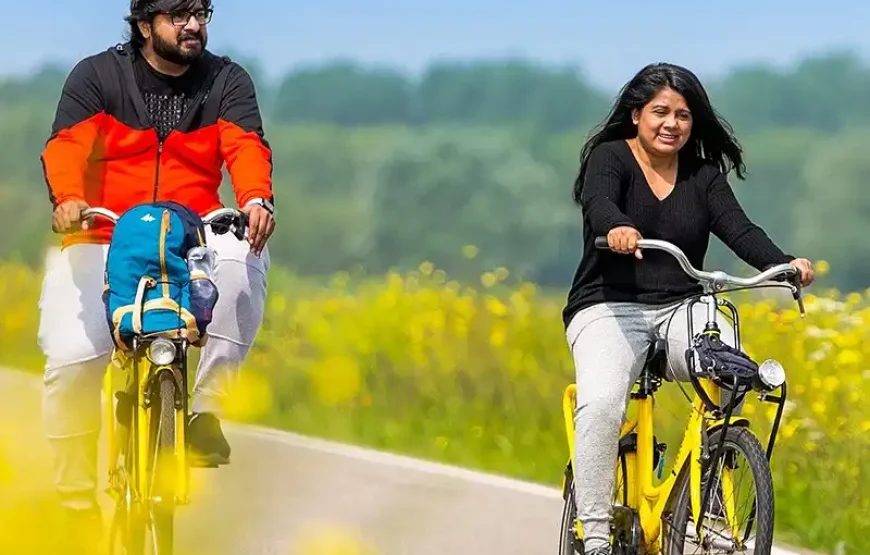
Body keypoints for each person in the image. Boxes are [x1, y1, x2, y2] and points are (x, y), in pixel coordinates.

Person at [37, 0, 275, 544]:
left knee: (244, 257)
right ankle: (75, 501)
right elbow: (67, 145)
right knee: (73, 360)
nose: (194, 25)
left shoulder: (226, 80)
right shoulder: (97, 76)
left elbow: (244, 145)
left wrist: (257, 198)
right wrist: (69, 198)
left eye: (202, 12)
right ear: (145, 24)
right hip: (105, 232)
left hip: (192, 231)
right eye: (178, 13)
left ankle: (205, 416)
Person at [561, 62, 814, 555]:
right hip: (609, 307)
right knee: (602, 406)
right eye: (660, 112)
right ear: (636, 114)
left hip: (682, 304)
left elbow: (740, 230)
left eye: (683, 114)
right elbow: (599, 204)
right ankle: (594, 536)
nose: (671, 123)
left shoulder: (702, 176)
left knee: (732, 369)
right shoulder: (610, 158)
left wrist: (783, 264)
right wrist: (617, 228)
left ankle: (711, 492)